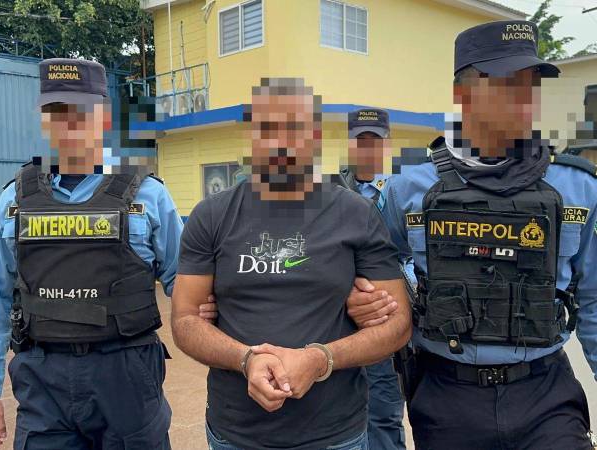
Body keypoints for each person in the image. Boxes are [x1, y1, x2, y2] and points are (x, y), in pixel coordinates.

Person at [348, 21, 596, 449]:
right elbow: (373, 264)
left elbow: (594, 300)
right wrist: (371, 298)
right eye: (505, 83)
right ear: (461, 93)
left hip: (546, 395)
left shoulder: (577, 188)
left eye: (531, 84)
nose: (524, 99)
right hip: (447, 398)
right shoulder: (410, 189)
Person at [171, 77, 412, 450]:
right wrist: (245, 359)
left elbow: (397, 324)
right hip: (236, 433)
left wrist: (322, 358)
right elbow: (185, 320)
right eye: (268, 129)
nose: (281, 142)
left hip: (335, 435)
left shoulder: (356, 214)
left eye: (294, 128)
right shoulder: (211, 216)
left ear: (314, 136)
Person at [0, 57, 215, 450]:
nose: (68, 124)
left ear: (103, 117)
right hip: (43, 381)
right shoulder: (14, 199)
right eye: (56, 112)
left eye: (80, 112)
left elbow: (186, 285)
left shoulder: (148, 194)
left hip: (126, 375)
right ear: (44, 120)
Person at [338, 108, 406, 450]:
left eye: (374, 141)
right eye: (360, 141)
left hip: (386, 317)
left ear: (387, 144)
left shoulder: (403, 191)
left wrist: (386, 294)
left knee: (383, 415)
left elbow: (415, 254)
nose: (367, 149)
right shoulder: (330, 190)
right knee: (339, 417)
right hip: (339, 321)